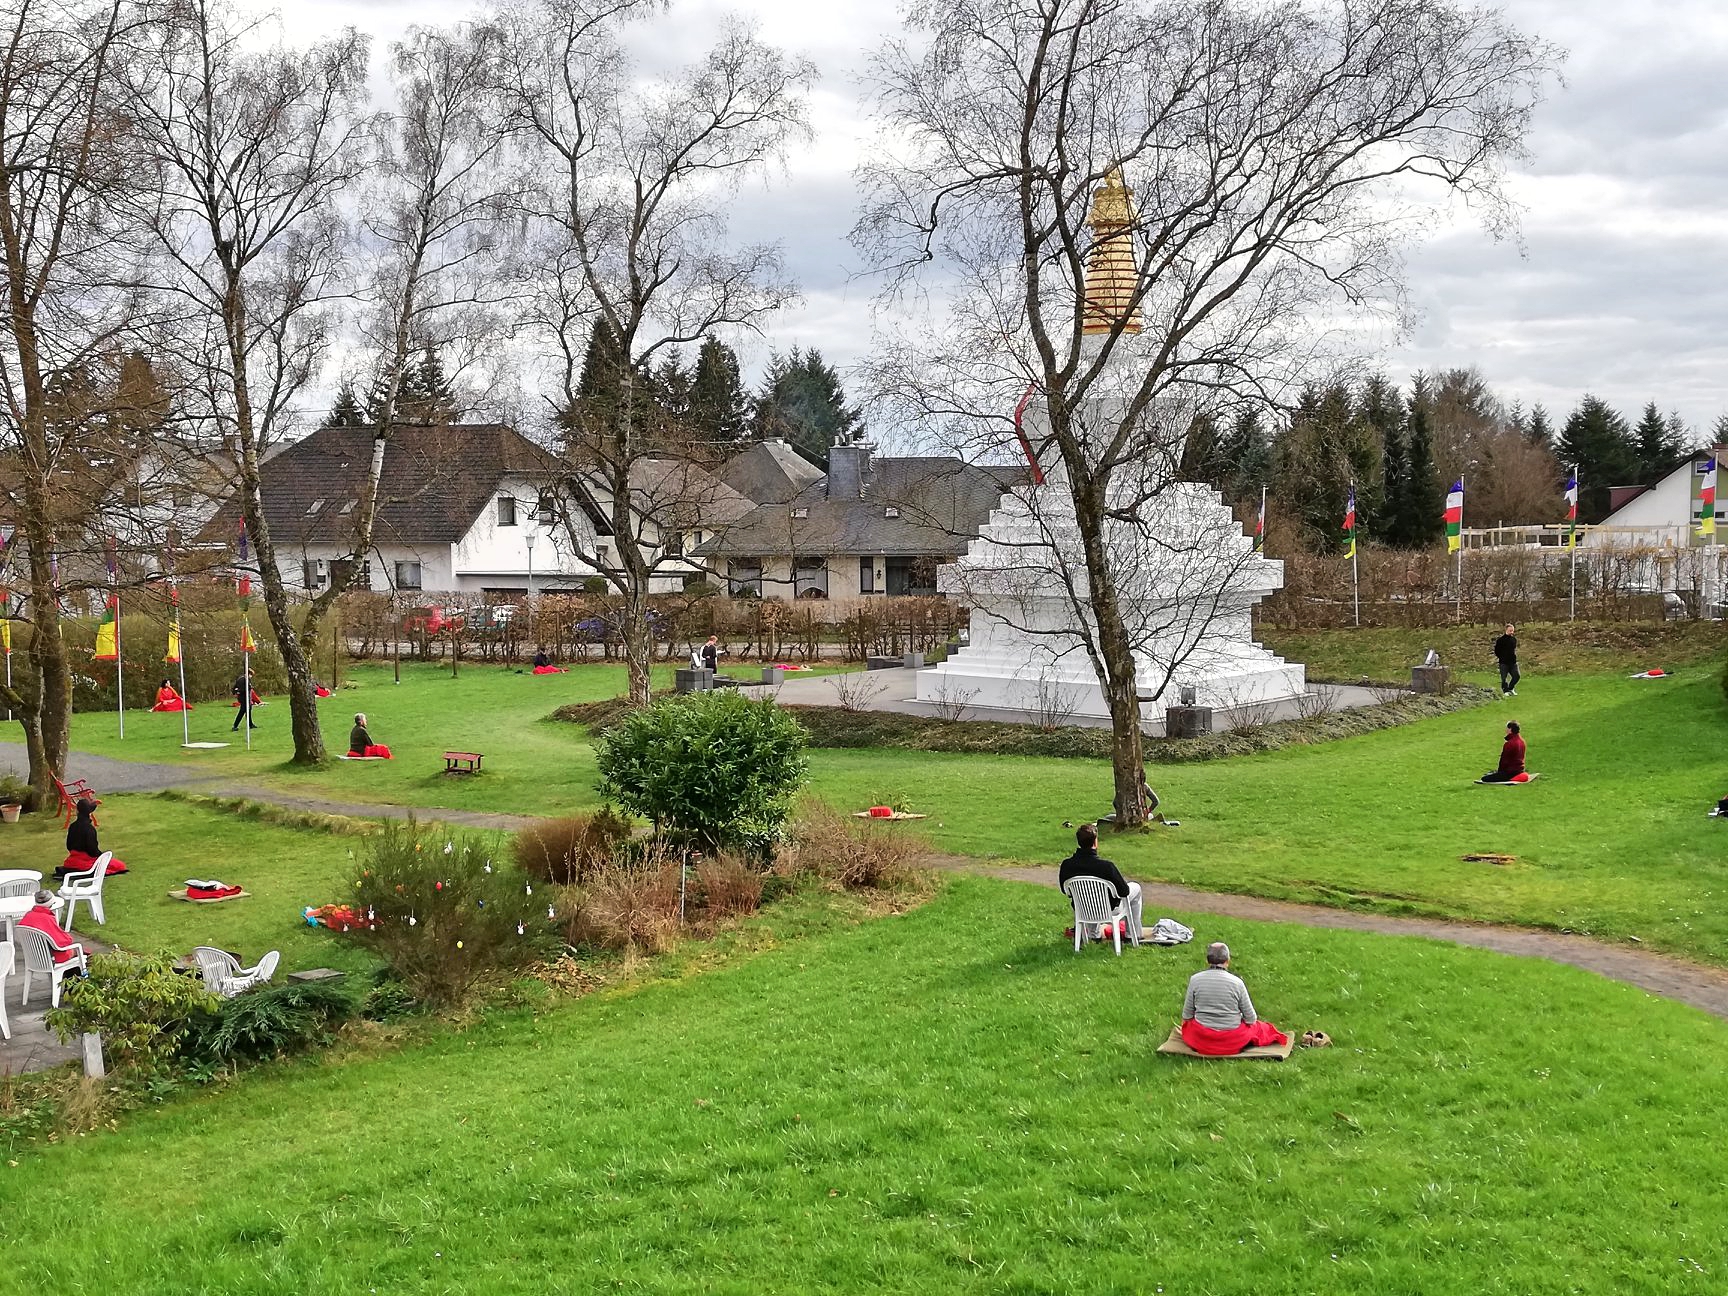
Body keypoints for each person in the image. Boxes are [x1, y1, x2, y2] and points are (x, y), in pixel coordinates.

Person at [1180, 942, 1288, 1055]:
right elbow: (1251, 1019)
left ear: (1207, 961)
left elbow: (1187, 1015)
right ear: (1227, 961)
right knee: (1262, 1028)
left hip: (1202, 1040)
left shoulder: (1195, 980)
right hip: (1232, 1040)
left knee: (1188, 1026)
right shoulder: (1237, 983)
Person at [1058, 823, 1142, 938]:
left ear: (1078, 842)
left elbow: (1064, 890)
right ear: (1095, 842)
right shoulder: (1106, 867)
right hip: (1108, 910)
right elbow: (1124, 892)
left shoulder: (1067, 865)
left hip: (1082, 909)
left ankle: (1093, 934)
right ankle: (1133, 934)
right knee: (1135, 888)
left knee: (1090, 897)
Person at [59, 796, 127, 877]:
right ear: (89, 812)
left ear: (77, 811)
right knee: (119, 865)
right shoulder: (89, 829)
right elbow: (93, 850)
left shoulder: (73, 826)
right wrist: (101, 855)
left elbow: (69, 846)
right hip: (86, 860)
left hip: (72, 860)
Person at [18, 889, 84, 965]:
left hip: (33, 958)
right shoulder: (47, 919)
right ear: (51, 904)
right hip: (50, 958)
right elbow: (63, 941)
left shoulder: (28, 915)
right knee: (79, 950)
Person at [1493, 623, 1519, 697]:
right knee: (1504, 678)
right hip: (1504, 662)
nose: (1512, 632)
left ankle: (1511, 688)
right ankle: (1505, 691)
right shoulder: (1500, 640)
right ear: (1506, 630)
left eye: (1513, 631)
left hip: (1513, 662)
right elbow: (1496, 651)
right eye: (1510, 630)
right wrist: (1502, 657)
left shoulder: (1514, 640)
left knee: (1516, 676)